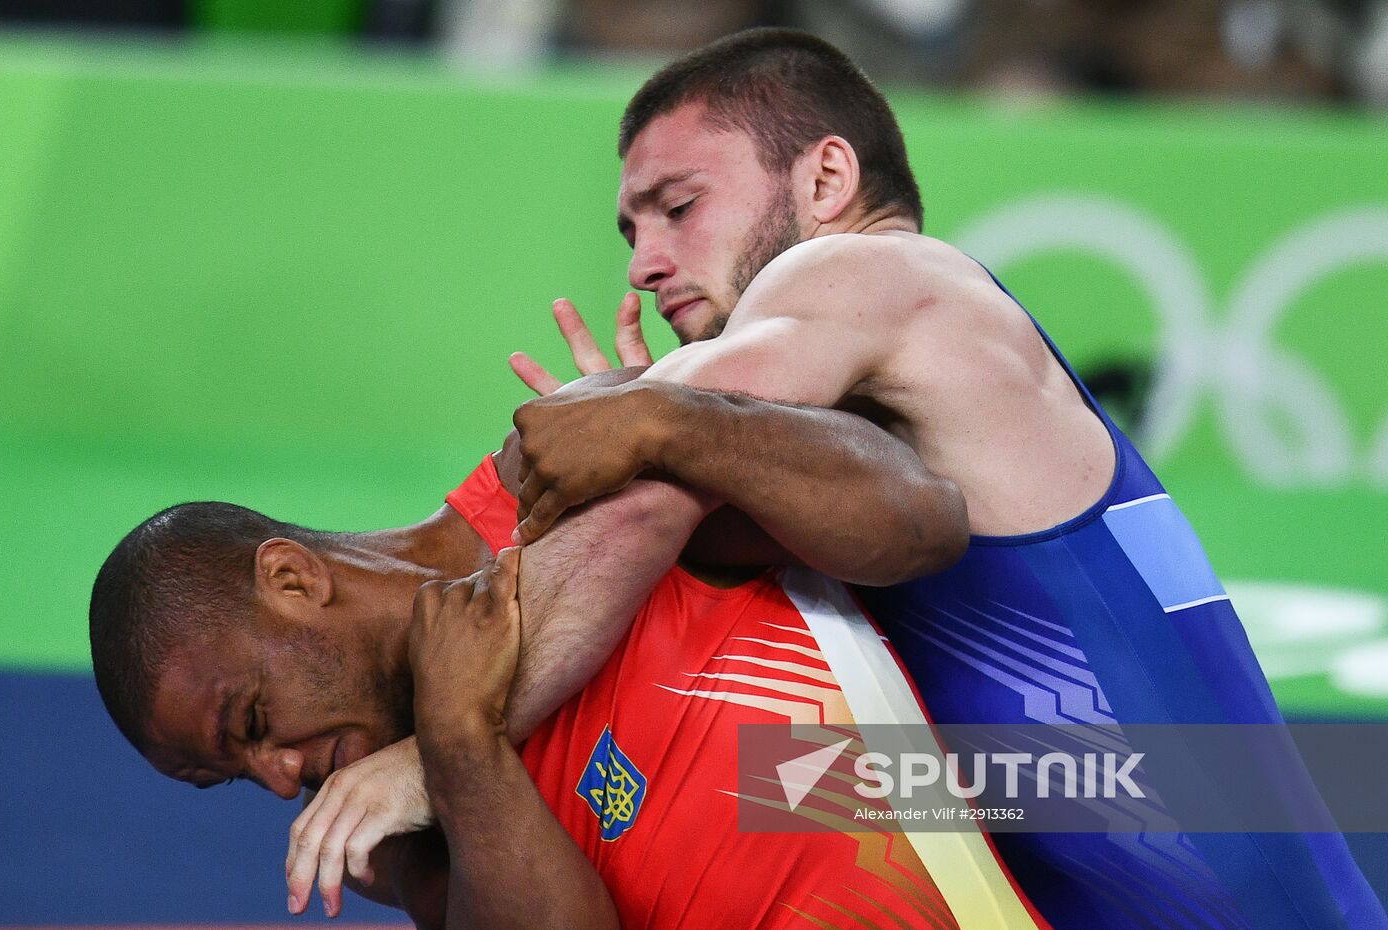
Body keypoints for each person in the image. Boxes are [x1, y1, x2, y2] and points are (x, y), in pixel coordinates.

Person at [497, 27, 1386, 930]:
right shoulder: (860, 422)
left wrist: (452, 747)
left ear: (826, 180)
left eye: (678, 207)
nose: (643, 264)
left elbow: (598, 448)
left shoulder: (868, 270)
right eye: (632, 229)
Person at [91, 417, 1057, 928]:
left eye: (253, 722)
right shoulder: (389, 842)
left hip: (1078, 817)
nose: (282, 777)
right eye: (233, 780)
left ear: (294, 580)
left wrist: (685, 420)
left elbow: (922, 516)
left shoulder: (564, 478)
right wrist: (459, 749)